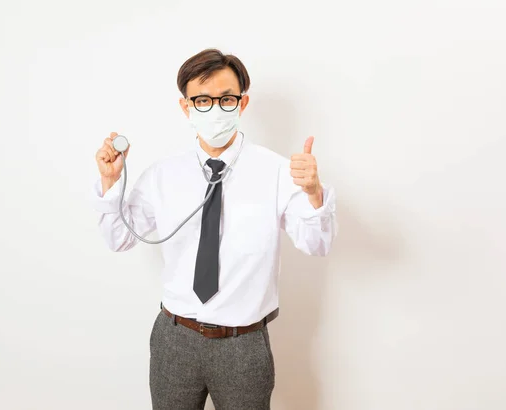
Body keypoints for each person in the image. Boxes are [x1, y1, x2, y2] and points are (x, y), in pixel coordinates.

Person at [91, 48, 337, 410]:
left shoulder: (279, 172)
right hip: (175, 340)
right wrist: (111, 184)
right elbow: (119, 238)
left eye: (226, 99)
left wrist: (315, 193)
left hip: (243, 345)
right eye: (202, 100)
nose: (215, 109)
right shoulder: (162, 174)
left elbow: (317, 244)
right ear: (186, 106)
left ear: (243, 102)